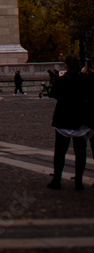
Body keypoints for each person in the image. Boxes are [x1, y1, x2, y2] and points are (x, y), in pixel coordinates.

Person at [47, 55, 87, 190]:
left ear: (67, 66)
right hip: (80, 120)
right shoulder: (84, 80)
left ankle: (57, 180)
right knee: (80, 153)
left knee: (60, 152)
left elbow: (53, 95)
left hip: (63, 118)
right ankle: (79, 182)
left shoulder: (61, 80)